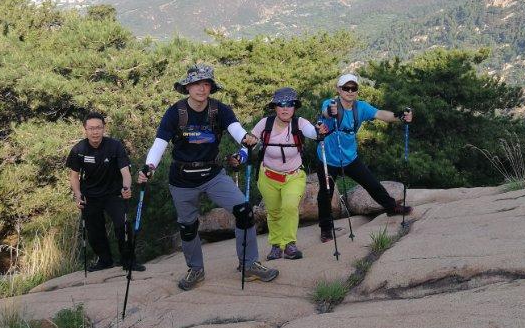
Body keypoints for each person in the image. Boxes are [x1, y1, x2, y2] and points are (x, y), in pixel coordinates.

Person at [138, 63, 279, 290]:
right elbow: (160, 143)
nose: (201, 89)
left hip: (213, 174)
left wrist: (246, 139)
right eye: (196, 84)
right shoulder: (175, 112)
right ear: (187, 88)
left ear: (211, 88)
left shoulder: (219, 110)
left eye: (206, 84)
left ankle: (249, 264)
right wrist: (149, 166)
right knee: (188, 226)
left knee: (244, 210)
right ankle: (196, 269)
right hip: (182, 178)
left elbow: (236, 129)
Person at [316, 74, 413, 242]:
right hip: (328, 158)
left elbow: (382, 114)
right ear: (339, 90)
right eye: (346, 88)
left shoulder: (361, 107)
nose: (350, 91)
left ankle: (391, 207)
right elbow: (326, 112)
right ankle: (325, 229)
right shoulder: (330, 104)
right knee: (326, 193)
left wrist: (400, 116)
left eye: (353, 88)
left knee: (372, 183)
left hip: (350, 158)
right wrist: (331, 112)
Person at [235, 88, 326, 261]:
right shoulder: (265, 124)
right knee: (274, 212)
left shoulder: (299, 123)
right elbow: (249, 142)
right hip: (268, 176)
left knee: (290, 206)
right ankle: (276, 246)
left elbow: (312, 132)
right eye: (281, 105)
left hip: (293, 175)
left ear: (295, 107)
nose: (285, 109)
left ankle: (290, 244)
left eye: (290, 104)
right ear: (275, 107)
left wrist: (319, 132)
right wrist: (240, 156)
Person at [66, 112, 144, 272]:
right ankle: (105, 260)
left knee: (122, 225)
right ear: (85, 130)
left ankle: (128, 261)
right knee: (94, 230)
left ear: (104, 128)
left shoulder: (115, 146)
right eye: (91, 128)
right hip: (90, 195)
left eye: (98, 128)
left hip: (113, 193)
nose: (95, 132)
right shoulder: (78, 149)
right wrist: (78, 195)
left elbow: (125, 172)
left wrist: (127, 187)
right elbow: (74, 177)